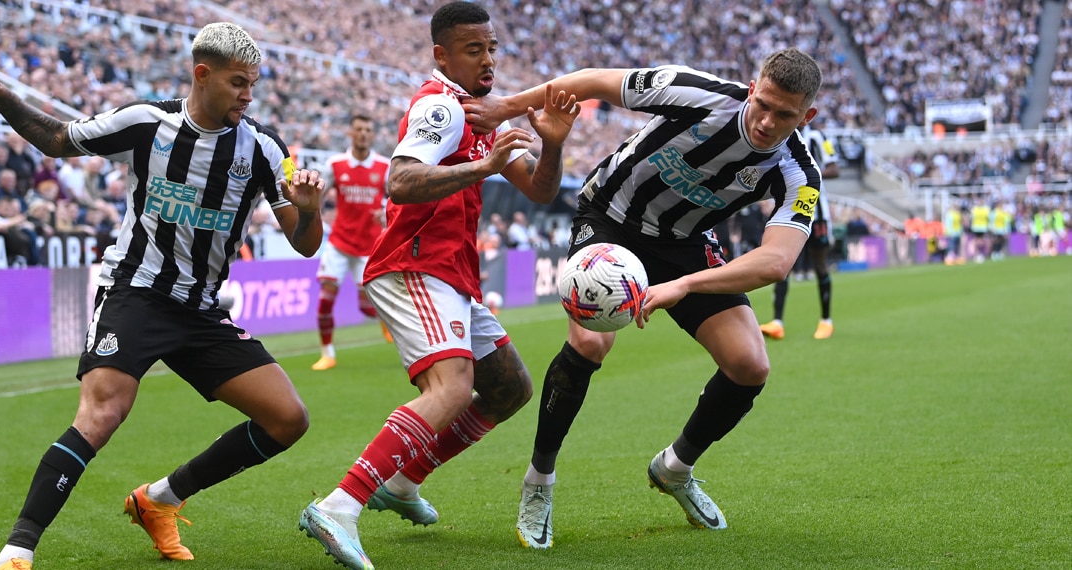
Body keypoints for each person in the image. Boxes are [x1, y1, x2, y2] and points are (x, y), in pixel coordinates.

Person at [0, 22, 328, 570]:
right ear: (203, 74)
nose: (249, 95)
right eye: (239, 83)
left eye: (254, 84)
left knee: (288, 419)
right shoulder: (147, 123)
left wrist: (310, 209)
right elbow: (58, 139)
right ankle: (17, 552)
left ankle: (159, 500)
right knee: (102, 414)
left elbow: (305, 243)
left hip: (201, 309)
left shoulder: (265, 149)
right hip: (136, 292)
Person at [464, 47, 824, 548]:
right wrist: (505, 107)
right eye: (761, 103)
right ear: (751, 88)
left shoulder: (798, 172)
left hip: (685, 246)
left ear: (806, 116)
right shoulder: (697, 93)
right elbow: (590, 81)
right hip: (609, 217)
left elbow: (776, 262)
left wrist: (682, 286)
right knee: (590, 345)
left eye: (784, 115)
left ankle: (675, 468)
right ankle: (539, 481)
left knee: (749, 365)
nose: (766, 121)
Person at [297, 3, 579, 569]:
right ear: (442, 55)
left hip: (453, 273)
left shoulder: (480, 115)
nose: (489, 60)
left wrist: (552, 144)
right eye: (475, 50)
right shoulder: (439, 107)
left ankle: (402, 484)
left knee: (509, 390)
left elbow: (541, 192)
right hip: (413, 265)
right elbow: (399, 182)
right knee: (451, 389)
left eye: (492, 48)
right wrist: (482, 168)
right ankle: (339, 505)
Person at [311, 114, 393, 371]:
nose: (363, 134)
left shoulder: (384, 166)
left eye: (368, 130)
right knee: (325, 299)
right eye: (358, 129)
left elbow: (397, 198)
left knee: (367, 308)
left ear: (373, 135)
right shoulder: (335, 164)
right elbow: (317, 194)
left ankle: (383, 320)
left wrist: (386, 211)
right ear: (350, 133)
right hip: (339, 241)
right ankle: (328, 354)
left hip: (369, 247)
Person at [760, 121, 840, 340]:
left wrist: (806, 170)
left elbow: (834, 168)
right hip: (788, 207)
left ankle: (826, 321)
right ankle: (777, 322)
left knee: (819, 263)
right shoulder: (780, 134)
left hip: (816, 208)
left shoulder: (817, 137)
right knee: (781, 261)